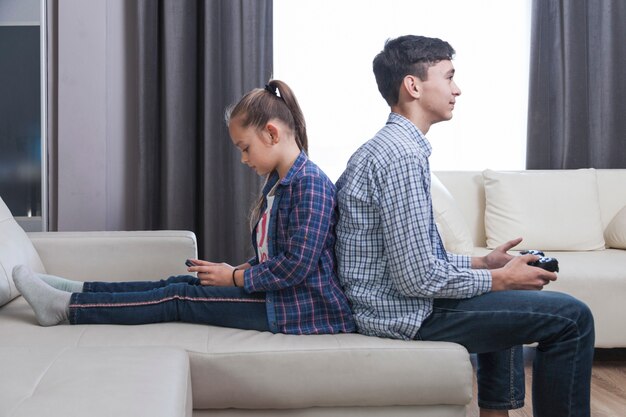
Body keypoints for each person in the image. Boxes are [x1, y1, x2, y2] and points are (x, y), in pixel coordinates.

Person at [335, 35, 594, 417]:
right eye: (449, 77)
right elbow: (417, 279)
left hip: (393, 302)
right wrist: (503, 280)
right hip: (402, 314)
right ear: (413, 85)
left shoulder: (390, 148)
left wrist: (484, 265)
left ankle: (496, 411)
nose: (457, 89)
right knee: (573, 318)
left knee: (506, 299)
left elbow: (416, 261)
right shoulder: (401, 157)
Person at [13, 79, 355, 336]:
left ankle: (64, 308)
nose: (243, 158)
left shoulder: (311, 184)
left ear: (271, 133)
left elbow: (295, 267)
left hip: (299, 309)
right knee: (183, 282)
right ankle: (71, 289)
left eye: (245, 147)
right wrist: (232, 271)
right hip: (279, 299)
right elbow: (276, 258)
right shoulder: (280, 183)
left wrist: (235, 277)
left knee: (178, 297)